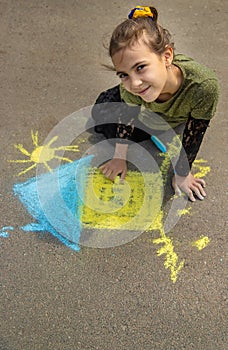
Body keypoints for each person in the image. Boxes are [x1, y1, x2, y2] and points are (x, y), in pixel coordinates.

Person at [91, 5, 220, 202]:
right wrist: (119, 157)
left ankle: (160, 129)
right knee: (100, 113)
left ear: (167, 56)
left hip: (175, 116)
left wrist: (183, 174)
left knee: (174, 130)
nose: (134, 83)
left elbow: (196, 132)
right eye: (123, 74)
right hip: (146, 109)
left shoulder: (202, 86)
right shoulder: (132, 88)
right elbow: (127, 117)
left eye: (140, 67)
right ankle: (157, 130)